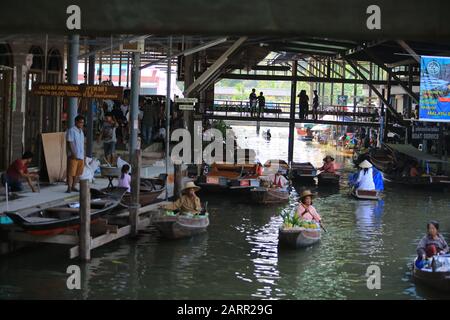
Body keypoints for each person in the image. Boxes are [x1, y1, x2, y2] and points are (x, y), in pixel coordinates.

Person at [66, 115, 85, 193]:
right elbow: (69, 142)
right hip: (73, 155)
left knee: (78, 172)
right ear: (76, 122)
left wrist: (84, 154)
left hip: (81, 155)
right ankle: (69, 187)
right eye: (80, 122)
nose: (81, 124)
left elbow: (83, 144)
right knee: (71, 172)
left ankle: (74, 186)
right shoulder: (71, 130)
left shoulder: (81, 132)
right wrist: (73, 153)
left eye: (82, 123)